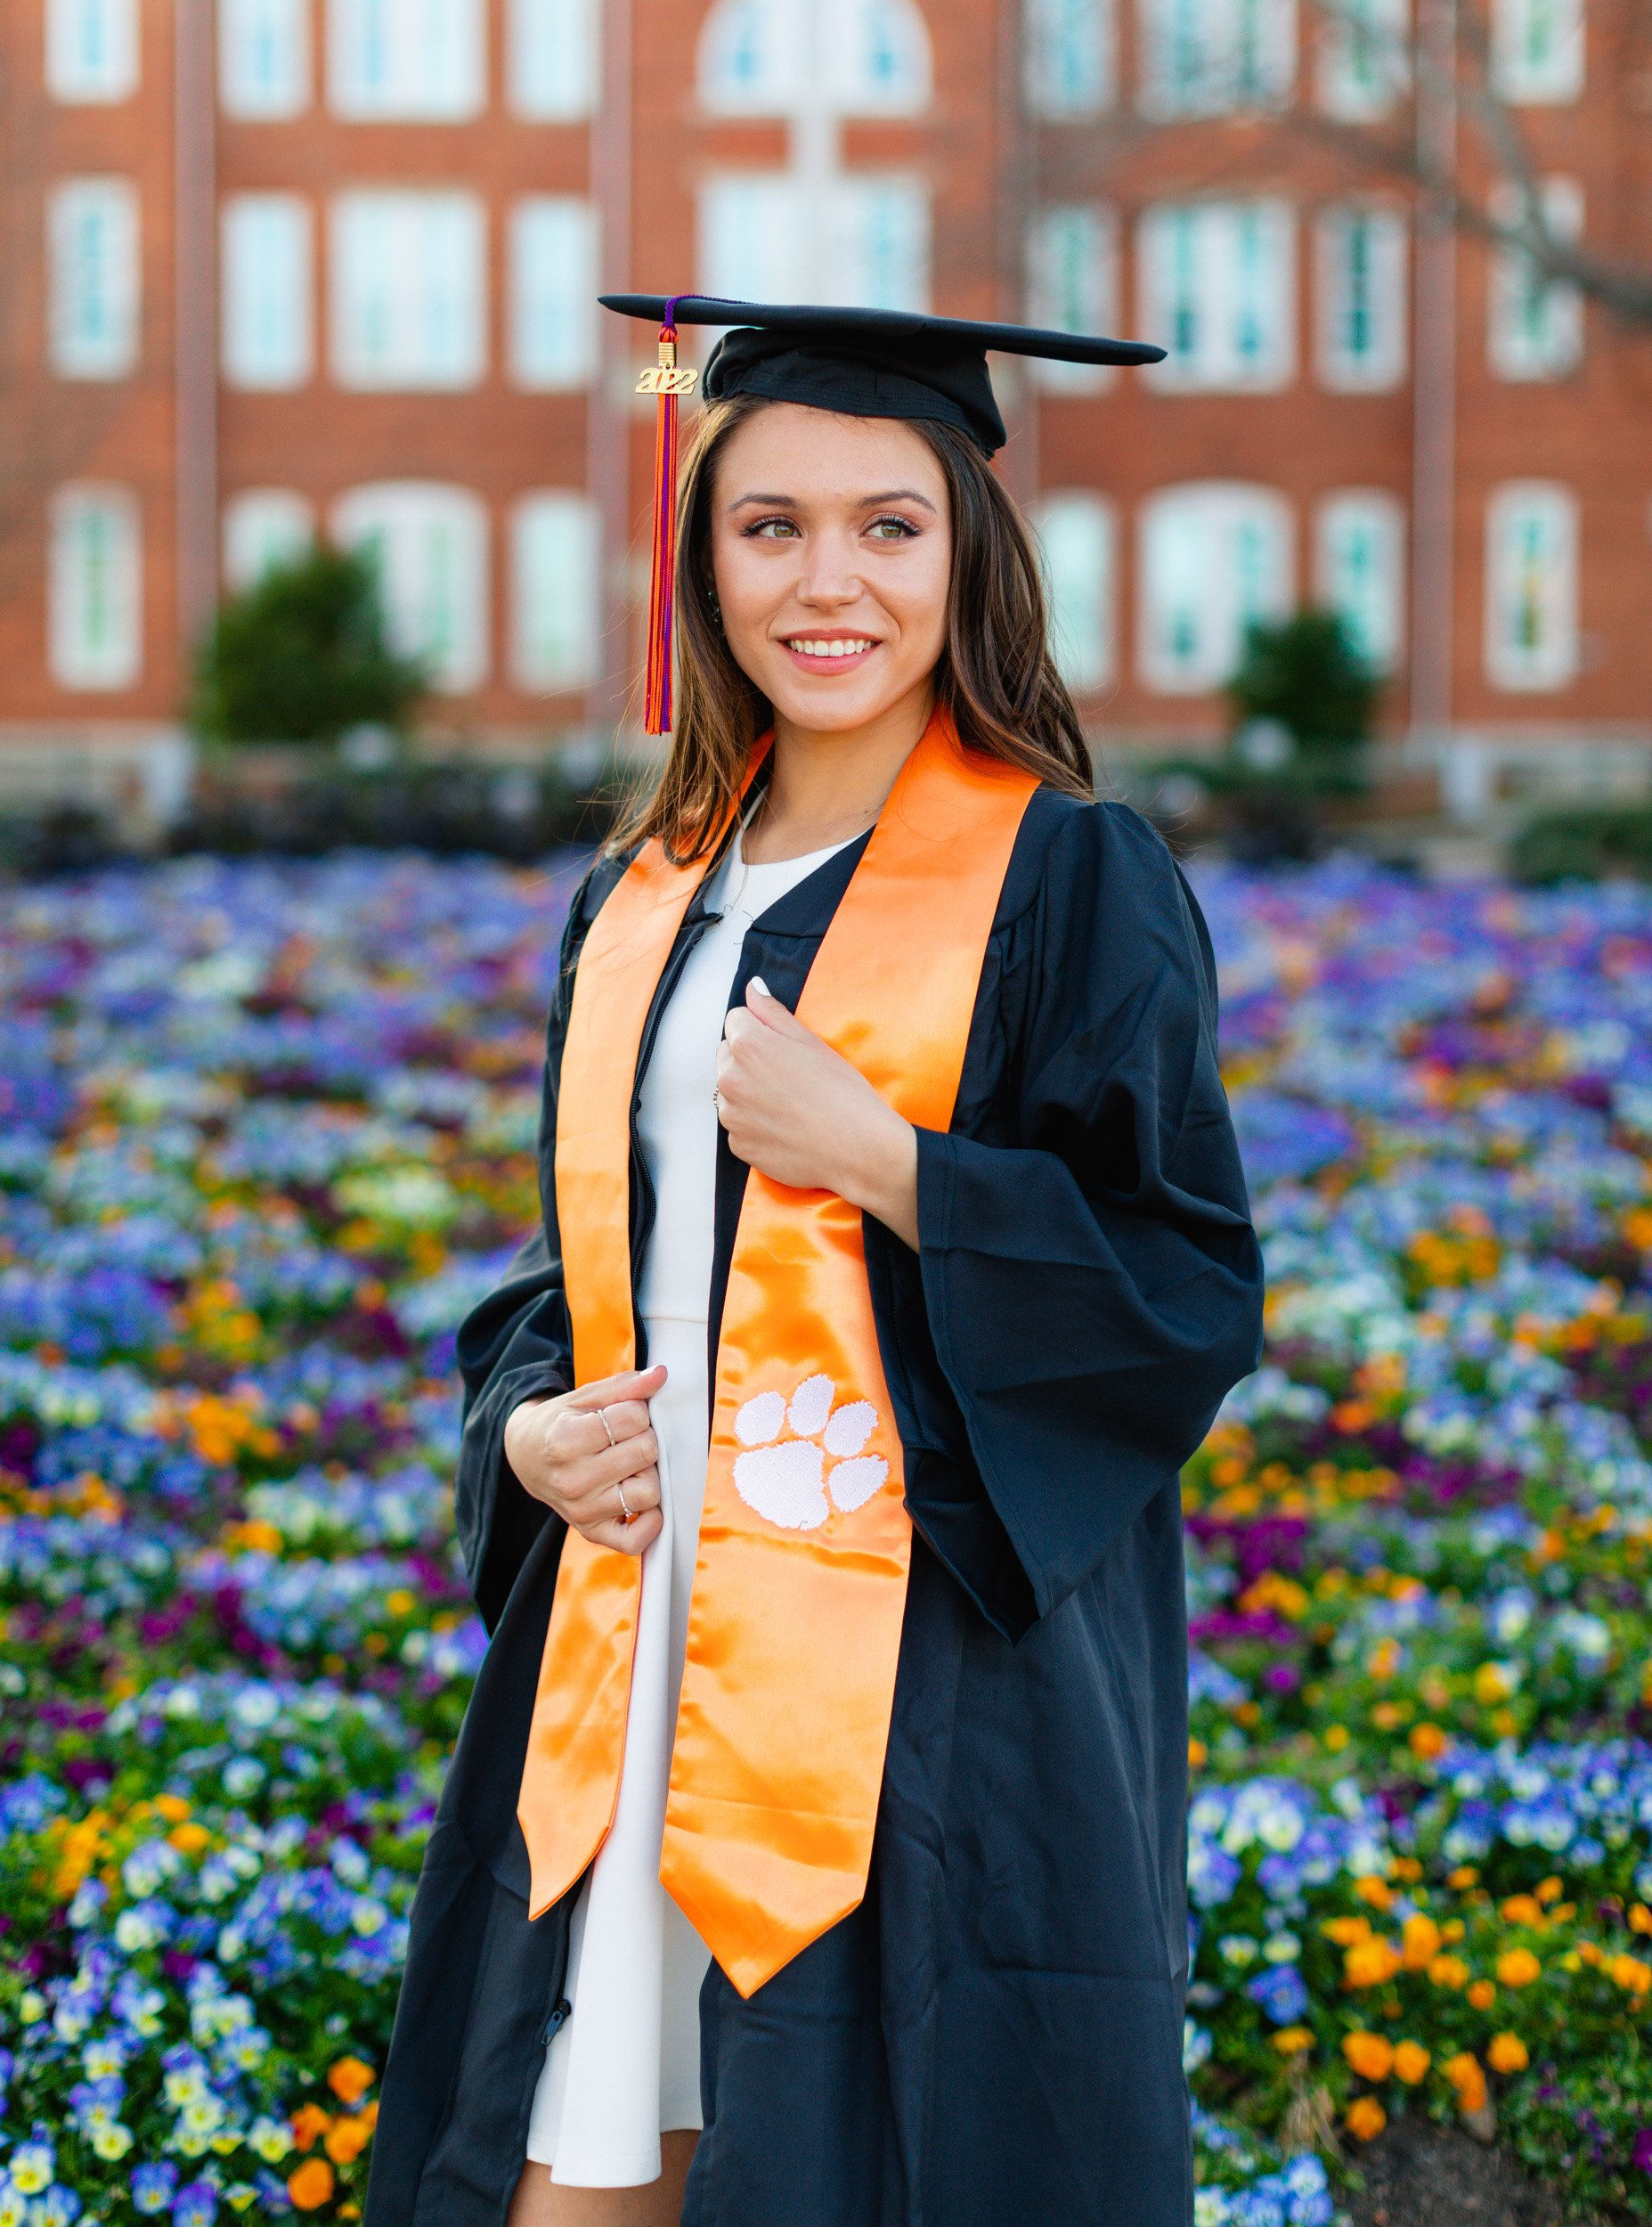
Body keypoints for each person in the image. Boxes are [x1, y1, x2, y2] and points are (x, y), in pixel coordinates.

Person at [362, 297, 1265, 2227]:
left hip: (916, 1682)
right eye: (767, 525)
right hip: (640, 1640)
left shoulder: (1072, 879)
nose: (825, 578)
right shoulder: (644, 894)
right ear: (701, 563)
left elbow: (1182, 1282)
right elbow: (586, 1271)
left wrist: (900, 1168)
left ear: (967, 557)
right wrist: (526, 1428)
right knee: (576, 2158)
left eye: (887, 523)